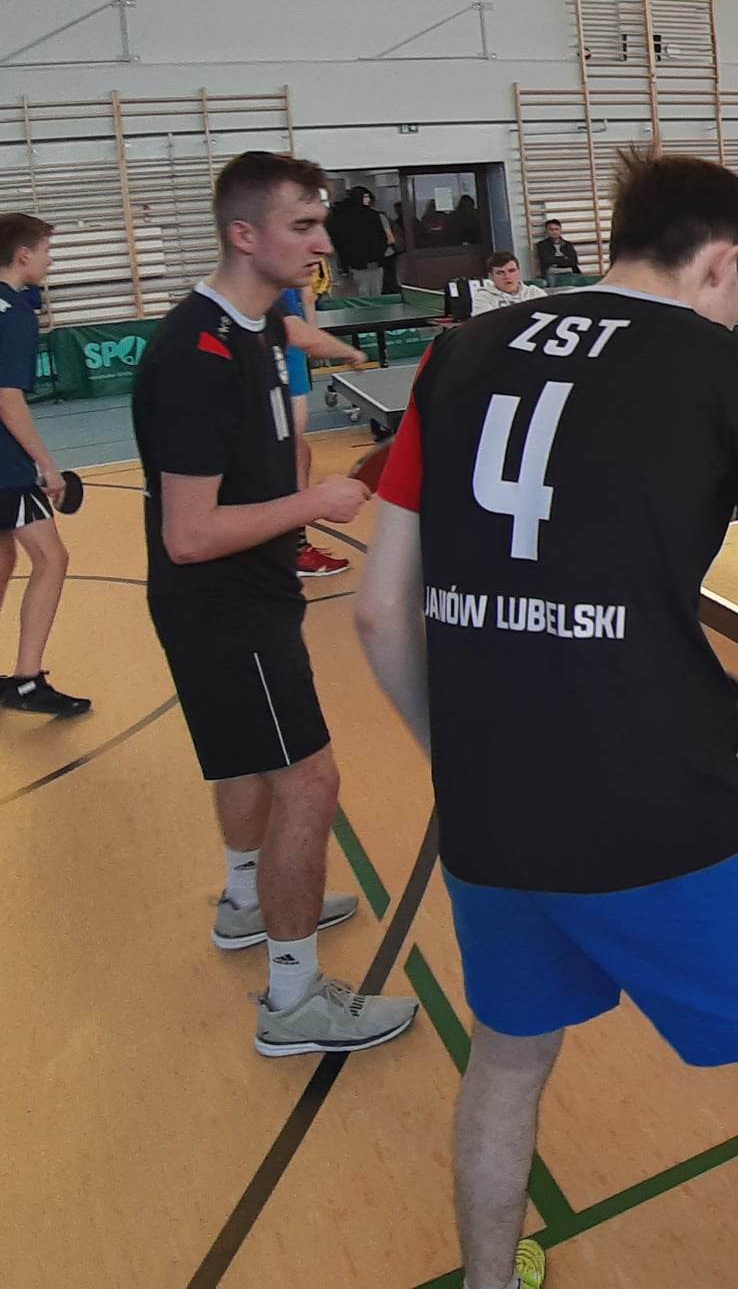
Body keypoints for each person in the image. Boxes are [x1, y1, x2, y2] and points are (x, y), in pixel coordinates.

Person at [353, 152, 738, 1289]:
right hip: (660, 807)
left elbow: (379, 614)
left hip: (490, 814)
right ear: (723, 261)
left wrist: (462, 764)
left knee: (506, 1058)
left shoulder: (458, 354)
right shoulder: (729, 371)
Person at [133, 151, 418, 1057]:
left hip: (242, 599)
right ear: (243, 234)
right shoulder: (198, 356)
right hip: (225, 607)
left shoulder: (253, 329)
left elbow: (247, 461)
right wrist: (314, 502)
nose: (323, 242)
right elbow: (188, 532)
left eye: (320, 222)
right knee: (311, 781)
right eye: (303, 226)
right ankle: (293, 1000)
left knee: (249, 764)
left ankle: (245, 900)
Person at [0, 212, 89, 716]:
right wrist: (46, 464)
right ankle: (27, 681)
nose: (49, 261)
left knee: (3, 560)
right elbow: (7, 397)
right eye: (46, 251)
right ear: (23, 255)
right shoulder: (13, 312)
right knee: (51, 559)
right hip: (4, 465)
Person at [280, 262, 367, 578]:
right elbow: (294, 327)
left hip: (289, 358)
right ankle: (293, 550)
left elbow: (306, 301)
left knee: (297, 453)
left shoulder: (285, 272)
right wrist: (348, 352)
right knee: (291, 455)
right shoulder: (266, 278)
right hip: (279, 358)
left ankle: (290, 546)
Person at [326, 186, 394, 296]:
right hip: (375, 260)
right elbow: (387, 238)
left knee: (362, 291)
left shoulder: (343, 218)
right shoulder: (375, 216)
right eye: (365, 196)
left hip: (356, 262)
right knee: (376, 290)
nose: (368, 199)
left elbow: (341, 241)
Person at [470, 252, 548, 316]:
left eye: (511, 271)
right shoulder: (483, 296)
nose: (507, 276)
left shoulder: (534, 293)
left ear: (519, 272)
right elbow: (483, 324)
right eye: (500, 273)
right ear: (491, 277)